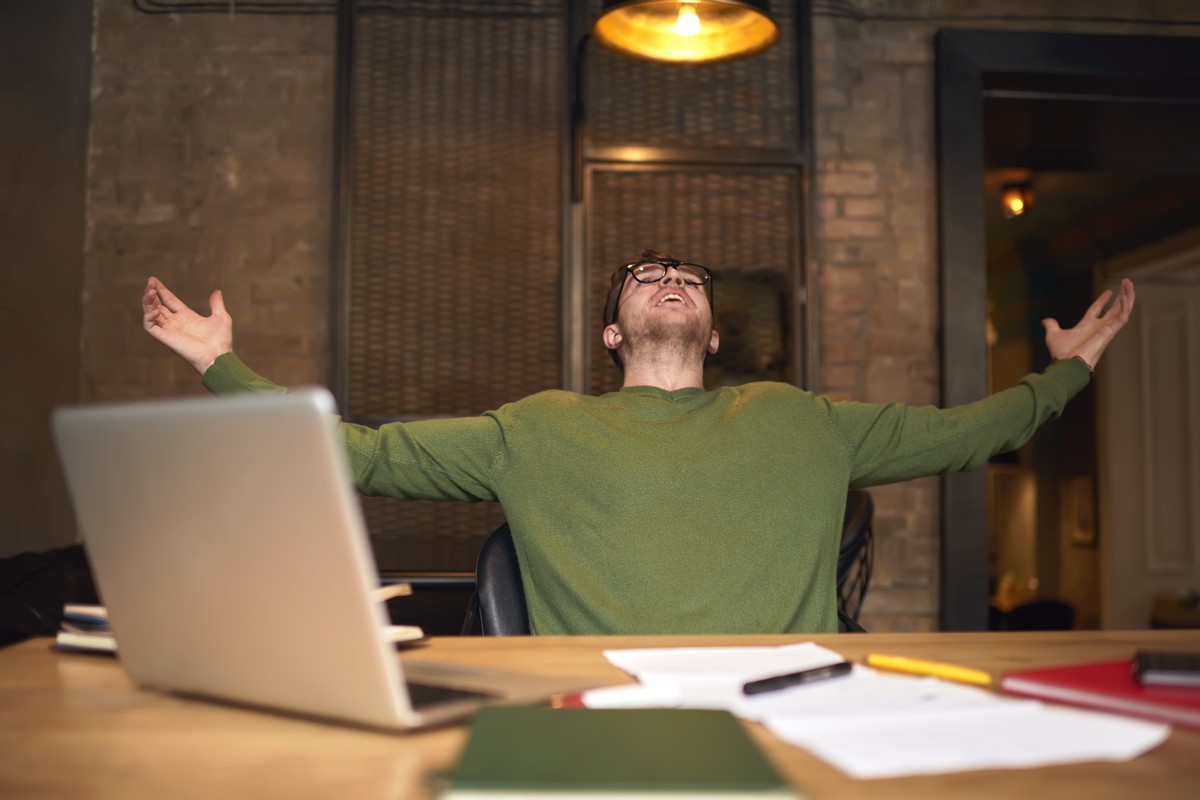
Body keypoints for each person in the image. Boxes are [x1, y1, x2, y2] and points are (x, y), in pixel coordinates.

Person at [142, 252, 1135, 635]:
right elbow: (353, 451)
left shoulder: (803, 419)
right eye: (646, 272)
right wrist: (219, 363)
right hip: (597, 725)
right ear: (612, 331)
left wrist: (1071, 370)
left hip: (787, 719)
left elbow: (971, 433)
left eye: (688, 277)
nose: (672, 277)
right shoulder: (532, 429)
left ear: (711, 330)